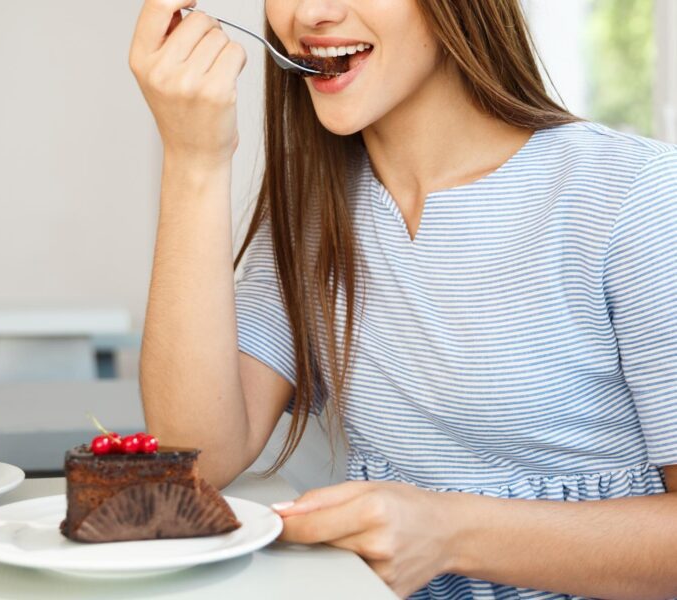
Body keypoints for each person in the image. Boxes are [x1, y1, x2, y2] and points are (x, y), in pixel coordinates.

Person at [128, 0, 677, 597]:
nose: (310, 13)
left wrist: (449, 533)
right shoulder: (314, 208)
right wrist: (194, 161)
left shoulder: (634, 197)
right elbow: (198, 457)